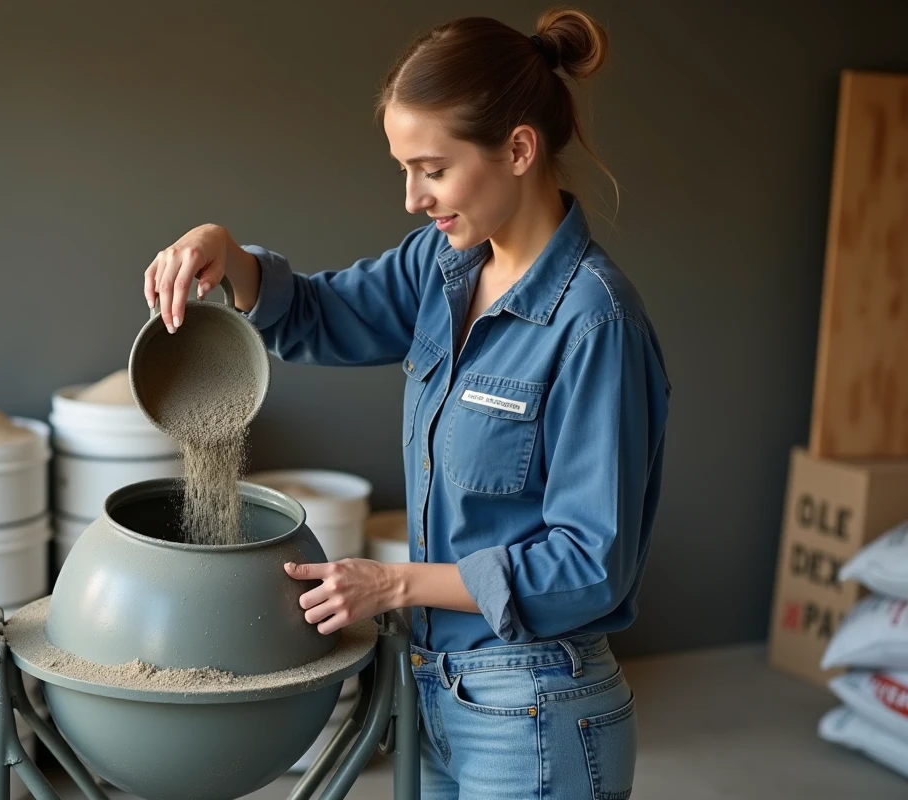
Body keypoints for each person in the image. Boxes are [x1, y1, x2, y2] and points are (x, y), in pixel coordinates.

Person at [143, 8, 670, 798]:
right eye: (404, 169)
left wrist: (397, 585)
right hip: (434, 693)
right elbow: (322, 314)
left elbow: (591, 565)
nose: (413, 198)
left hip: (535, 710)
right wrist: (229, 253)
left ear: (520, 149)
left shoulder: (596, 322)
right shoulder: (443, 266)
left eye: (432, 168)